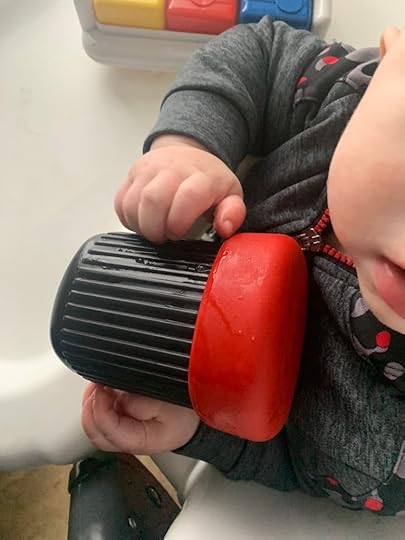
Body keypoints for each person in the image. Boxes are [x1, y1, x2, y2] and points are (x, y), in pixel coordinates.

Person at [81, 18, 405, 515]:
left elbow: (297, 459)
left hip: (184, 354)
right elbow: (259, 52)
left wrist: (201, 428)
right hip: (151, 235)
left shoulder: (388, 454)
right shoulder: (346, 91)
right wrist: (190, 147)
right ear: (390, 59)